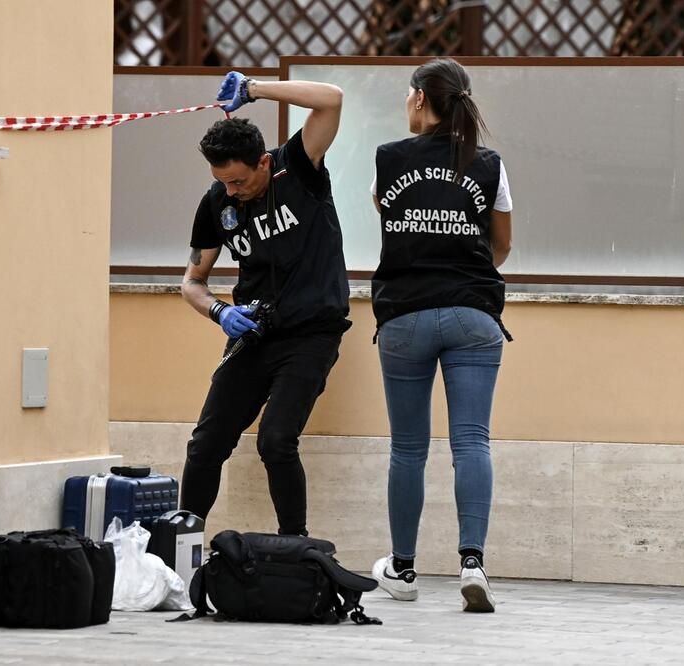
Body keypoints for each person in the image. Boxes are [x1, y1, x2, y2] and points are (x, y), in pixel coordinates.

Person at [369, 58, 513, 612]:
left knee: (407, 448)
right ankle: (472, 563)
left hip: (404, 316)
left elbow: (392, 223)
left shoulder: (389, 159)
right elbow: (501, 246)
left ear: (420, 97)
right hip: (472, 315)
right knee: (471, 441)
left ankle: (403, 568)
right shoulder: (489, 164)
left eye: (407, 96)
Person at [178, 72, 350, 537]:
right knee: (206, 443)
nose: (231, 191)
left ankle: (295, 547)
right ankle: (183, 546)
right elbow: (192, 281)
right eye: (222, 182)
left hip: (311, 333)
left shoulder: (298, 167)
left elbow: (331, 99)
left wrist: (253, 89)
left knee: (275, 440)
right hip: (253, 334)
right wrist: (219, 312)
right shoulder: (217, 202)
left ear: (263, 162)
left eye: (237, 180)